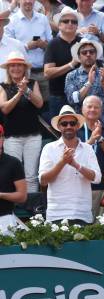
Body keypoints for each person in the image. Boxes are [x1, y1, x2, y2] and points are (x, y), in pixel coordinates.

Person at [39, 105, 102, 224]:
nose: (68, 126)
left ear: (78, 126)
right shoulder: (49, 148)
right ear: (59, 127)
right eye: (64, 124)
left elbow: (97, 178)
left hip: (81, 213)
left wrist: (76, 165)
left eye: (72, 123)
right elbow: (43, 181)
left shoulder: (88, 149)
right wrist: (63, 162)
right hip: (56, 213)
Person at [0, 51, 44, 193]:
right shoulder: (3, 86)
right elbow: (5, 108)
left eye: (19, 65)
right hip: (12, 137)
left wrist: (27, 91)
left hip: (33, 136)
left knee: (31, 175)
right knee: (14, 173)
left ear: (24, 68)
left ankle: (32, 208)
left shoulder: (32, 83)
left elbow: (39, 104)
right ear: (8, 69)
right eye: (13, 65)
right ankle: (14, 207)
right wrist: (19, 93)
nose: (16, 68)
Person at [78, 95, 104, 217]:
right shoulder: (75, 129)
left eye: (96, 107)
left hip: (103, 186)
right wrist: (91, 140)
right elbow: (74, 155)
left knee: (101, 224)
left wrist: (100, 138)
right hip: (80, 186)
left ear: (101, 110)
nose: (92, 110)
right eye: (89, 106)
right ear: (82, 109)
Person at [5, 0, 53, 101]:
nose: (28, 1)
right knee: (25, 107)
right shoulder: (11, 21)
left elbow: (52, 44)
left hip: (42, 72)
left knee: (45, 107)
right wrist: (26, 46)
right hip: (22, 75)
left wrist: (44, 45)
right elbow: (8, 48)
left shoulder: (43, 19)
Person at [43, 7, 82, 119]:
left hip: (81, 95)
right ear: (59, 25)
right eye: (66, 21)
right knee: (59, 130)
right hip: (58, 96)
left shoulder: (83, 43)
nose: (70, 23)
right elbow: (47, 73)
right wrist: (71, 64)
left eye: (74, 21)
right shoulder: (53, 44)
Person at [64, 39, 104, 114]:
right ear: (79, 57)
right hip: (81, 121)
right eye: (84, 52)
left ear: (96, 55)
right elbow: (72, 100)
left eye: (91, 52)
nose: (88, 54)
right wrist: (89, 83)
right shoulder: (71, 76)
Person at [0, 125, 27, 235]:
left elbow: (22, 196)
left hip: (5, 220)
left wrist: (0, 195)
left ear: (3, 138)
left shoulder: (13, 163)